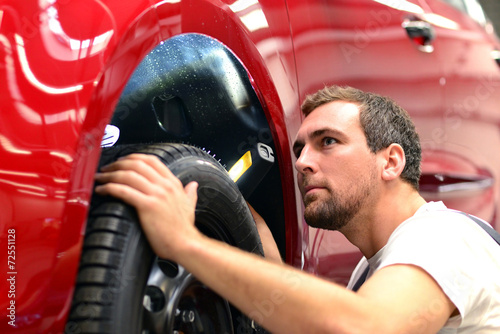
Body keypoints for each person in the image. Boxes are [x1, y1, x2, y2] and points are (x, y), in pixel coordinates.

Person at [94, 85, 500, 333]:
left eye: (328, 142)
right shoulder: (373, 269)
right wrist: (263, 250)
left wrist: (186, 244)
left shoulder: (445, 237)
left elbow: (366, 326)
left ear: (390, 162)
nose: (303, 162)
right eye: (300, 148)